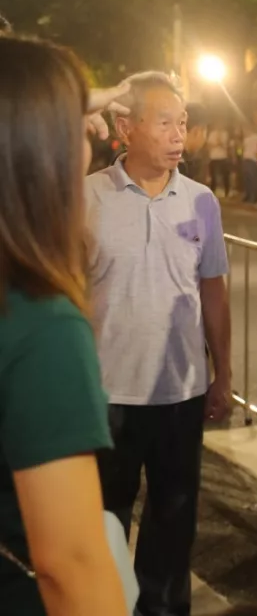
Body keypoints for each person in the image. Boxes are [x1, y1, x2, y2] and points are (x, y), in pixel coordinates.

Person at [86, 71, 233, 616]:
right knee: (104, 524)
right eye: (165, 122)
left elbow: (212, 291)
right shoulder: (86, 197)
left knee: (173, 526)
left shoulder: (201, 201)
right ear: (126, 128)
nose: (178, 136)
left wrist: (223, 374)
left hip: (179, 394)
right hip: (104, 396)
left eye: (184, 123)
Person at [0, 35, 129, 616]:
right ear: (41, 150)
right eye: (78, 128)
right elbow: (71, 566)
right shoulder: (40, 323)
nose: (91, 143)